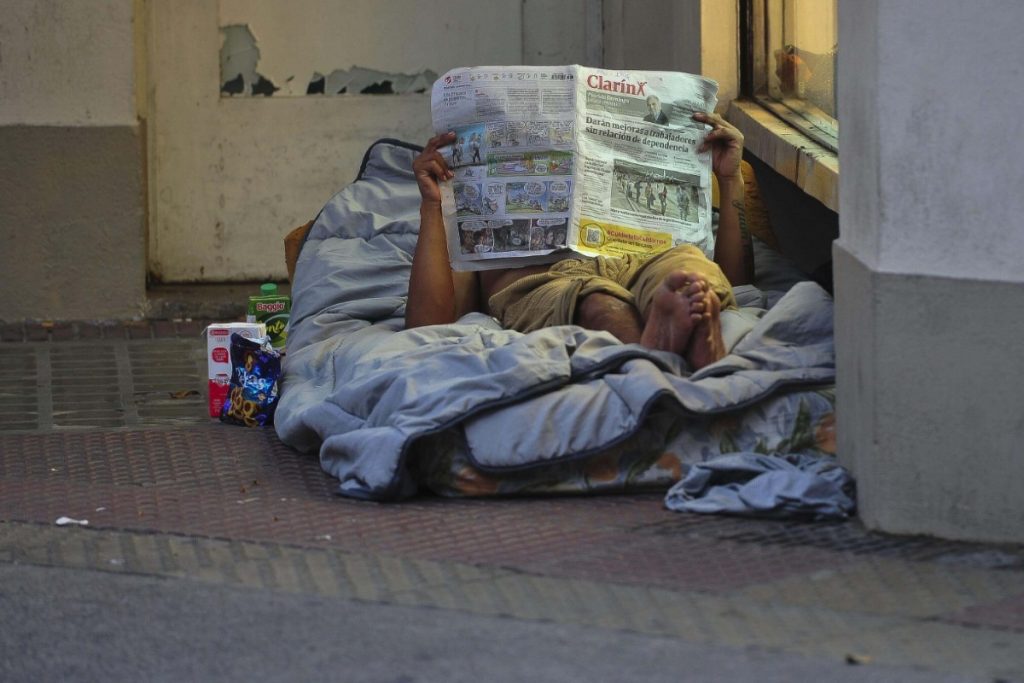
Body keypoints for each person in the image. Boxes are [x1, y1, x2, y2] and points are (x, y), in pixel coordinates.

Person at [407, 112, 754, 371]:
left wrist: (730, 177)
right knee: (595, 304)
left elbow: (737, 284)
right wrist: (434, 204)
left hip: (647, 255)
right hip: (548, 278)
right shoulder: (467, 207)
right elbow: (427, 326)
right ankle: (663, 356)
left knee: (691, 273)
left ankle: (675, 341)